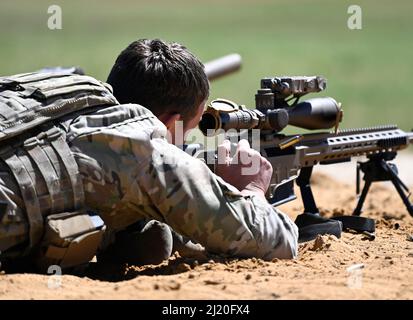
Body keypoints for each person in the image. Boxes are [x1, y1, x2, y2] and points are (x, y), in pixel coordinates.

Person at [0, 39, 298, 271]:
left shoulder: (72, 89)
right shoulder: (144, 153)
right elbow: (277, 243)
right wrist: (254, 189)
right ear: (170, 123)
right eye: (193, 127)